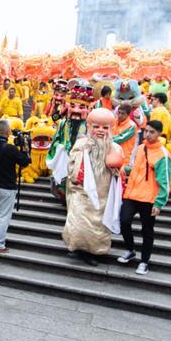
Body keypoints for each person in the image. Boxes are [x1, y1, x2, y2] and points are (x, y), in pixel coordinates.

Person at [63, 108, 124, 265]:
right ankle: (80, 250)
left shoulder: (116, 148)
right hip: (82, 192)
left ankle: (96, 251)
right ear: (89, 126)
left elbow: (120, 172)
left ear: (111, 128)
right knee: (80, 222)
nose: (100, 131)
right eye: (96, 127)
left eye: (105, 128)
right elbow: (71, 167)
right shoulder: (82, 144)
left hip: (104, 193)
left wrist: (116, 169)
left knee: (100, 224)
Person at [117, 120, 171, 275]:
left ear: (159, 133)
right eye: (146, 131)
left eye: (152, 132)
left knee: (147, 230)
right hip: (132, 194)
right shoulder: (140, 148)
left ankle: (144, 261)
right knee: (124, 221)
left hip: (149, 199)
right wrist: (120, 168)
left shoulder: (163, 155)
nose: (147, 134)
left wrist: (159, 203)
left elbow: (165, 181)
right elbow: (132, 167)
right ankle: (130, 249)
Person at [0, 119, 30, 253]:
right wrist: (25, 148)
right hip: (7, 188)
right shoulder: (11, 149)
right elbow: (25, 161)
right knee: (3, 216)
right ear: (8, 132)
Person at [112, 103, 138, 168]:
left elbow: (121, 138)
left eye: (123, 113)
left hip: (125, 157)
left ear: (128, 114)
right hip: (113, 154)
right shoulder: (114, 121)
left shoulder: (131, 126)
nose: (120, 115)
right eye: (119, 113)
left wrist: (106, 140)